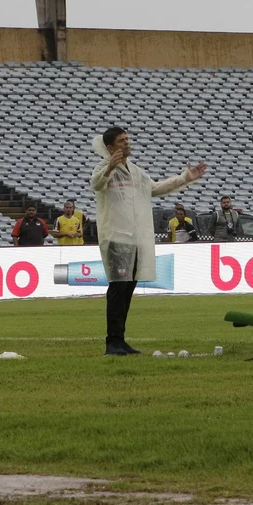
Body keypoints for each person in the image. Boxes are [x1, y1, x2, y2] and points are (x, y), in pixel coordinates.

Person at [90, 126, 207, 356]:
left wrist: (185, 178)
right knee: (118, 287)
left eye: (127, 139)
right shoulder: (104, 168)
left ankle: (120, 340)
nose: (127, 143)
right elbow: (96, 184)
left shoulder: (134, 171)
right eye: (122, 141)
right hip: (116, 237)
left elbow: (154, 188)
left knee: (128, 288)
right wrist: (111, 167)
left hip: (134, 239)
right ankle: (111, 341)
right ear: (111, 147)